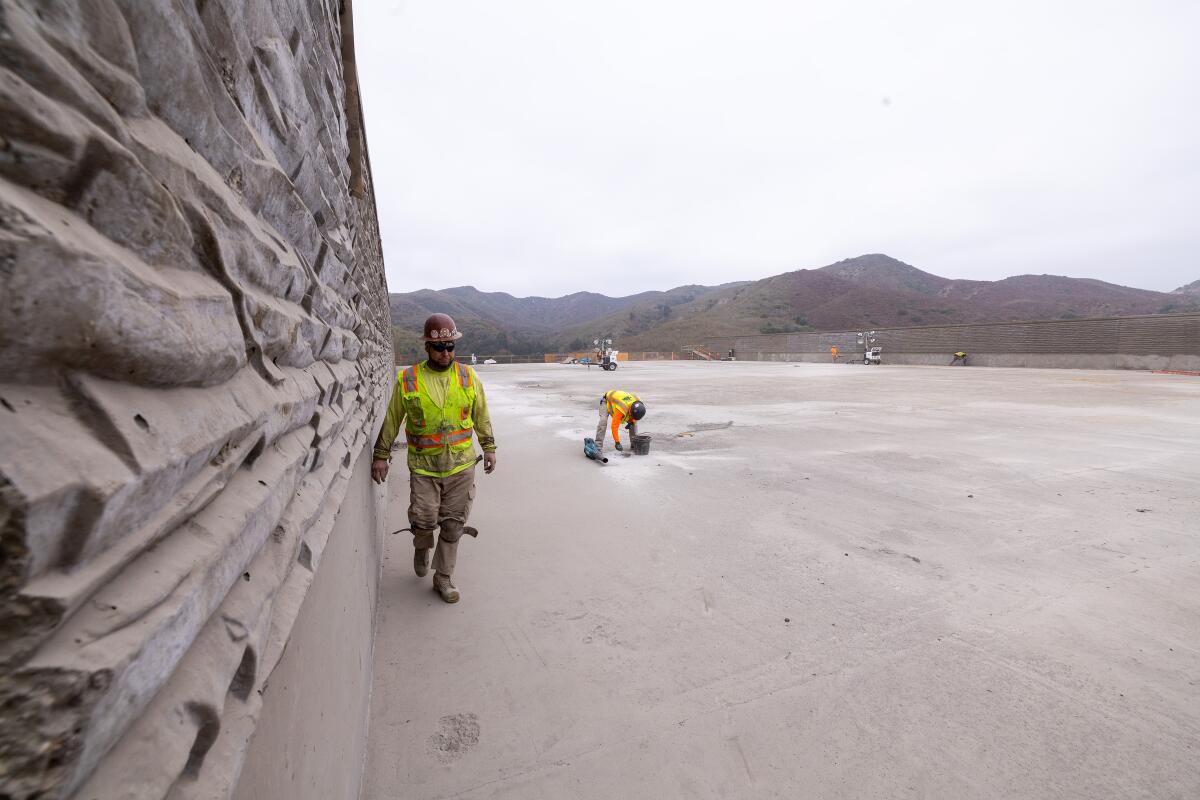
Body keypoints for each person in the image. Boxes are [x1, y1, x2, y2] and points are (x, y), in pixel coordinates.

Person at [372, 313, 498, 603]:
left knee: (453, 524)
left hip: (461, 465)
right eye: (440, 348)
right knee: (424, 519)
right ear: (427, 347)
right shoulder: (409, 379)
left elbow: (481, 416)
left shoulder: (469, 377)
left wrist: (489, 448)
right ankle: (421, 544)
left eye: (451, 347)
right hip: (424, 468)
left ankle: (443, 577)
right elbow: (392, 420)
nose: (446, 353)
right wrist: (381, 455)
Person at [594, 389, 646, 455]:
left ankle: (634, 444)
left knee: (634, 424)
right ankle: (598, 446)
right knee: (603, 421)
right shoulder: (622, 408)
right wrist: (617, 442)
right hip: (606, 401)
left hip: (620, 398)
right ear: (630, 411)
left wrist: (632, 421)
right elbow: (614, 426)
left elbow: (636, 416)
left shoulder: (638, 401)